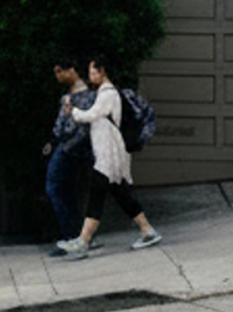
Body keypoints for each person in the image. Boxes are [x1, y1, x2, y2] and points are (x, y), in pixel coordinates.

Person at [58, 54, 161, 255]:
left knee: (96, 195)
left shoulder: (108, 94)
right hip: (109, 154)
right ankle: (147, 230)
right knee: (121, 195)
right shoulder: (106, 93)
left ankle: (83, 241)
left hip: (109, 155)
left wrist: (73, 111)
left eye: (92, 71)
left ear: (102, 71)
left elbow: (91, 115)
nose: (90, 75)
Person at [41, 60, 96, 251]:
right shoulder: (85, 95)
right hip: (77, 147)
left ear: (71, 70)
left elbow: (67, 128)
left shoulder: (76, 98)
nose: (58, 76)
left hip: (69, 148)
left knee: (55, 186)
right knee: (68, 189)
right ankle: (78, 235)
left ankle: (72, 235)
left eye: (59, 71)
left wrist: (60, 137)